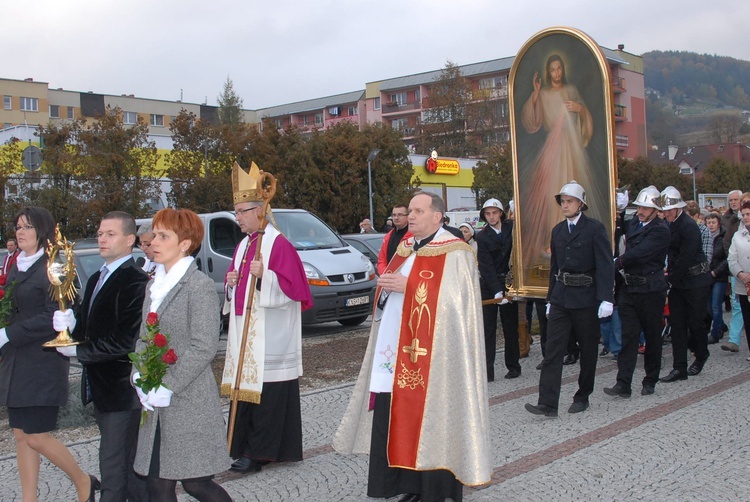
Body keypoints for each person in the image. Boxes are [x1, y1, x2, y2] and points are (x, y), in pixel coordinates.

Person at [333, 191, 491, 501]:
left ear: (437, 216)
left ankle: (435, 490)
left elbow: (460, 306)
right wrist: (387, 289)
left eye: (419, 211)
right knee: (397, 417)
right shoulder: (405, 247)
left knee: (432, 419)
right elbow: (393, 287)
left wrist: (411, 285)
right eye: (410, 211)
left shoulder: (456, 252)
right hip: (396, 351)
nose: (411, 216)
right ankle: (407, 484)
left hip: (436, 360)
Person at [131, 208, 231, 501]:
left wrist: (168, 385)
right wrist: (138, 376)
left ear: (185, 243)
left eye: (164, 236)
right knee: (158, 483)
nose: (154, 241)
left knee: (195, 484)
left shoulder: (197, 285)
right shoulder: (154, 286)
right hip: (157, 402)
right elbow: (143, 337)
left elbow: (204, 345)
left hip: (189, 402)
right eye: (154, 235)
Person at [0, 207, 98, 502]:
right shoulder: (17, 264)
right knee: (20, 435)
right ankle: (29, 498)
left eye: (28, 227)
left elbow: (54, 314)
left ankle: (84, 481)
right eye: (18, 226)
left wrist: (8, 334)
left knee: (36, 436)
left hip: (42, 359)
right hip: (16, 359)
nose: (20, 232)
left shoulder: (53, 264)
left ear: (42, 230)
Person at [222, 162, 312, 473]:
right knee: (246, 391)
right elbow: (236, 294)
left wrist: (267, 277)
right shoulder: (243, 245)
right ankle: (242, 446)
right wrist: (231, 283)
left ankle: (259, 452)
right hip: (246, 335)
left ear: (260, 210)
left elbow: (296, 290)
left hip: (271, 336)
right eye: (236, 212)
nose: (238, 218)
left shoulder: (279, 244)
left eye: (242, 211)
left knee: (268, 397)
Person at [54, 212, 150, 502]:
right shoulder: (98, 276)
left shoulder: (135, 280)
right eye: (99, 233)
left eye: (110, 234)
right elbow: (89, 326)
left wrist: (78, 351)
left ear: (130, 239)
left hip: (124, 389)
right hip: (102, 388)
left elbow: (126, 341)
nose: (102, 239)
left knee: (112, 467)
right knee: (127, 467)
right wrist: (71, 325)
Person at [525, 181, 614, 416]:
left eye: (570, 201)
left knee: (587, 349)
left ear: (580, 204)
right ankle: (547, 402)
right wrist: (551, 300)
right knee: (553, 350)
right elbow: (555, 267)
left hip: (586, 296)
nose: (565, 205)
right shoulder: (558, 231)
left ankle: (583, 395)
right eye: (563, 201)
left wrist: (606, 298)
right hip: (562, 297)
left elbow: (605, 264)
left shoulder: (594, 229)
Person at [519, 54, 607, 277]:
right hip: (553, 148)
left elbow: (585, 117)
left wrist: (580, 109)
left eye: (559, 69)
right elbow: (533, 122)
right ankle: (553, 240)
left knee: (571, 184)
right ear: (548, 72)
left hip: (571, 146)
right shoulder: (544, 93)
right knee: (553, 191)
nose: (556, 73)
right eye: (552, 70)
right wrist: (536, 94)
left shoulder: (571, 90)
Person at [602, 186, 670, 398]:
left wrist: (617, 262)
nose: (641, 211)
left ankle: (650, 379)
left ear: (655, 209)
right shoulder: (633, 224)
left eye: (646, 207)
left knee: (651, 335)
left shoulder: (660, 230)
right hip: (630, 288)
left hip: (650, 289)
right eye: (639, 206)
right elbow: (620, 235)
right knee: (628, 336)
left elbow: (640, 253)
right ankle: (623, 383)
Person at [660, 186, 713, 382]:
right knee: (677, 324)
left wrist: (670, 279)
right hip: (679, 281)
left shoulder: (688, 226)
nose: (666, 214)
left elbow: (686, 257)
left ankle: (701, 354)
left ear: (677, 208)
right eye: (664, 211)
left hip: (696, 280)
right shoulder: (669, 225)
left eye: (668, 210)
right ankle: (679, 367)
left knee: (695, 323)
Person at [476, 198, 520, 381]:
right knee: (488, 329)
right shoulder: (482, 236)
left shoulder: (511, 228)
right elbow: (486, 266)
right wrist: (496, 291)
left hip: (509, 282)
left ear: (501, 213)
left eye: (495, 212)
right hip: (489, 286)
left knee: (511, 327)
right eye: (488, 213)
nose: (492, 217)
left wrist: (507, 289)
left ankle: (514, 366)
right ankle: (488, 370)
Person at [721, 190, 745, 353]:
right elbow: (727, 243)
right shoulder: (729, 220)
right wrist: (734, 266)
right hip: (737, 271)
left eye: (737, 200)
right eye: (731, 200)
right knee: (737, 305)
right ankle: (734, 339)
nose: (734, 203)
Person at [728, 200, 750, 357]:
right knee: (748, 319)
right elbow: (732, 258)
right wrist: (740, 273)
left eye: (749, 214)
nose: (746, 217)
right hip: (743, 284)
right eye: (744, 215)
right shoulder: (737, 235)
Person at [706, 212, 728, 344]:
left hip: (719, 276)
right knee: (708, 307)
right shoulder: (705, 236)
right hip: (707, 276)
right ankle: (722, 325)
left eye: (713, 222)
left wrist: (715, 272)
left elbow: (726, 259)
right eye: (708, 222)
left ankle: (716, 333)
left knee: (715, 305)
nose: (711, 225)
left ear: (718, 223)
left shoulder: (724, 237)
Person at [377, 204, 411, 274]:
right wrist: (385, 274)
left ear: (408, 216)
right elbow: (381, 260)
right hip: (388, 279)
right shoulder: (387, 237)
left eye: (400, 215)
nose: (396, 218)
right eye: (394, 215)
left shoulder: (414, 236)